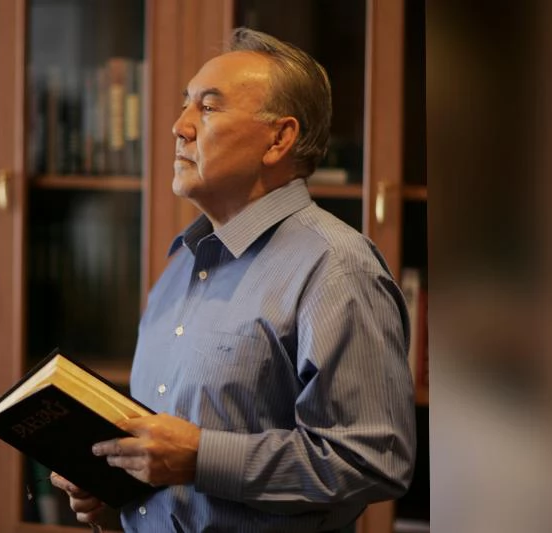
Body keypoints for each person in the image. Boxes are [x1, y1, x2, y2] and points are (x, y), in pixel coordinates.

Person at [51, 27, 416, 532]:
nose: (179, 126)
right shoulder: (178, 268)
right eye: (185, 104)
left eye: (207, 107)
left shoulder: (337, 267)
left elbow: (374, 461)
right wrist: (114, 488)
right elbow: (166, 465)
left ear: (279, 139)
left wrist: (203, 458)